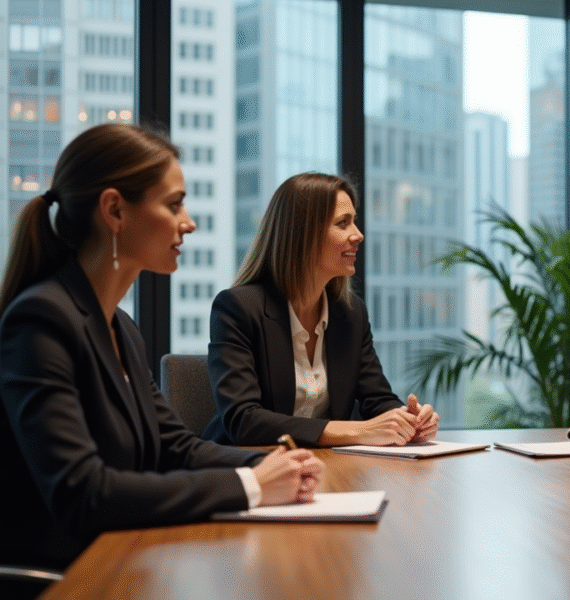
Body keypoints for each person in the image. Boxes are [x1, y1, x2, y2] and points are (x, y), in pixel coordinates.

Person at [0, 124, 325, 571]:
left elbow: (175, 448)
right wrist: (251, 484)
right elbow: (83, 493)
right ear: (114, 210)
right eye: (174, 204)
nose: (188, 222)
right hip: (64, 577)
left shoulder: (123, 329)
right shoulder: (40, 321)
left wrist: (279, 461)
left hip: (125, 557)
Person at [202, 173, 439, 447]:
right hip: (249, 470)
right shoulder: (238, 308)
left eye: (354, 222)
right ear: (303, 234)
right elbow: (243, 420)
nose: (358, 235)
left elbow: (377, 399)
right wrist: (356, 431)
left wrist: (408, 421)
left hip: (324, 467)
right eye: (343, 223)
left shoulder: (351, 313)